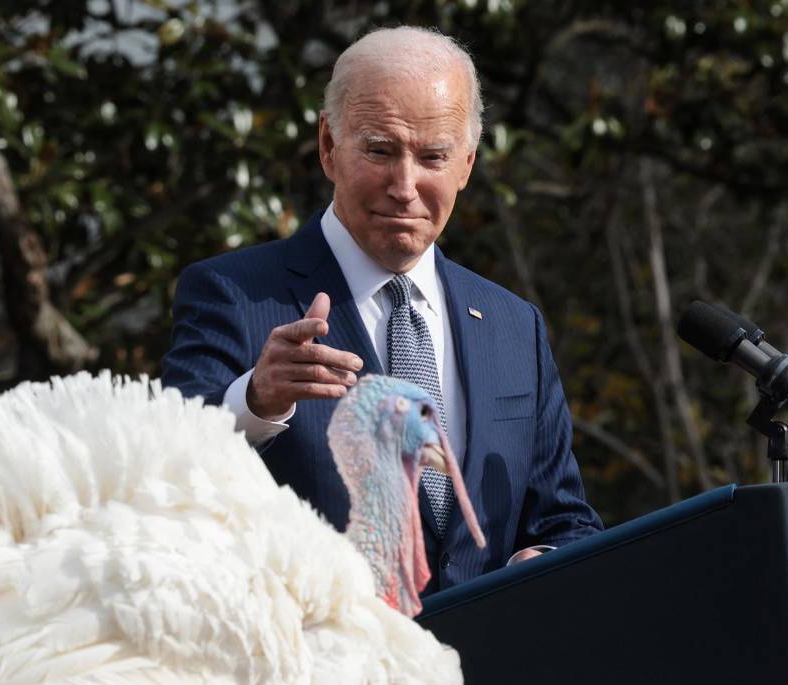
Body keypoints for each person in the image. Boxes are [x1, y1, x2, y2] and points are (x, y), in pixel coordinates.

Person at [160, 26, 601, 592]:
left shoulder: (513, 325)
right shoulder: (234, 293)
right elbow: (166, 478)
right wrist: (255, 401)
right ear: (328, 147)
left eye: (432, 157)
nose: (405, 185)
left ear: (466, 164)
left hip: (485, 669)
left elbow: (565, 520)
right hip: (313, 665)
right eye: (380, 150)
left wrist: (546, 558)